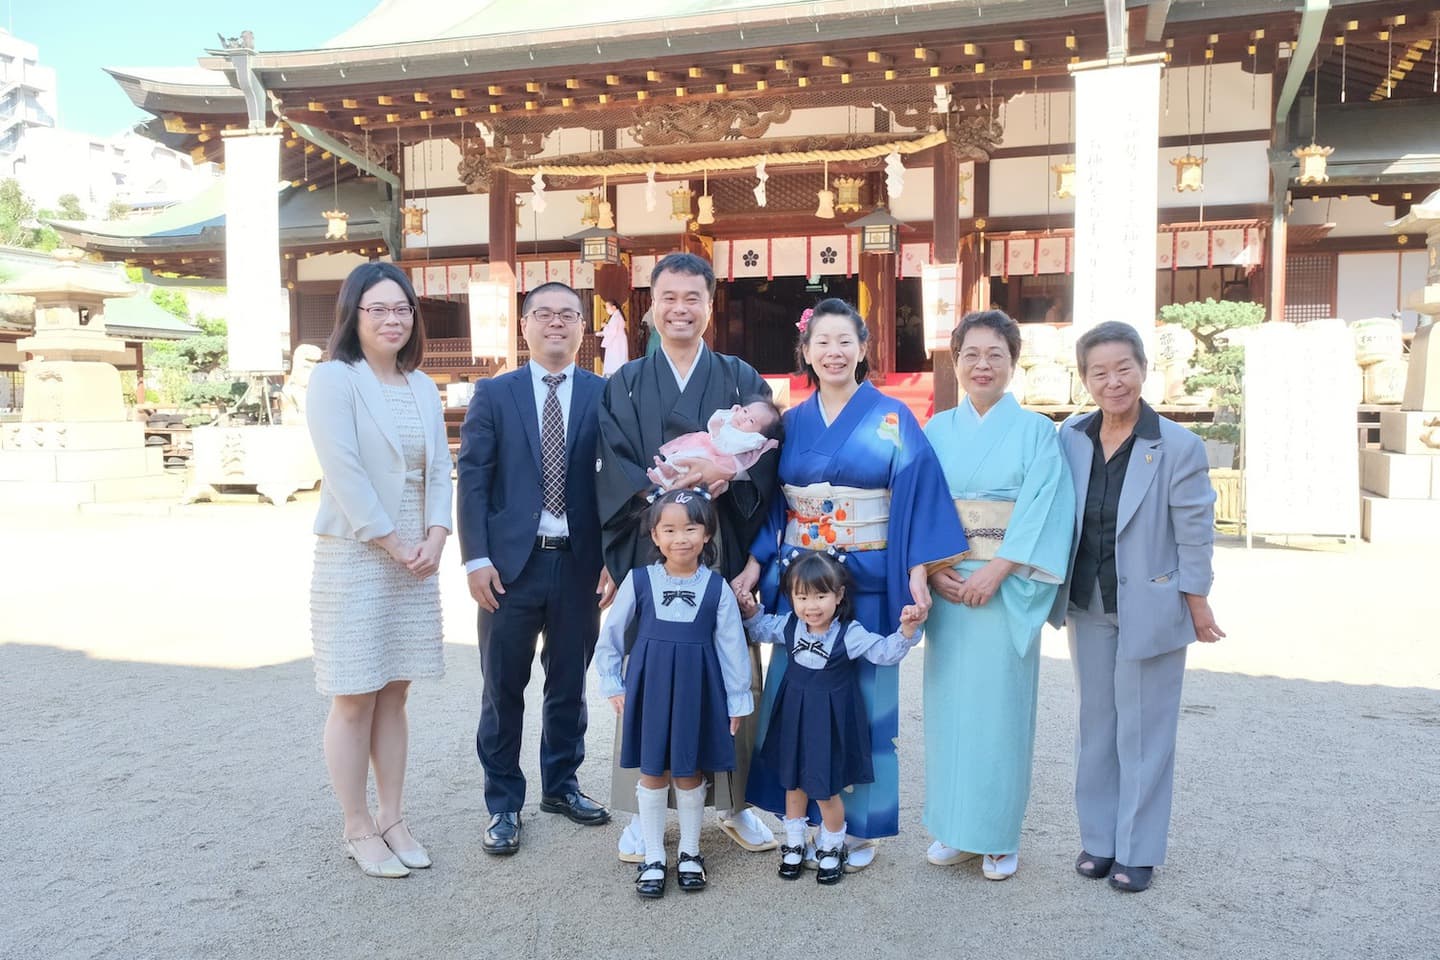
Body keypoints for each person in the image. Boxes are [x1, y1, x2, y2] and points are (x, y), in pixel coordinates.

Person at [732, 298, 966, 871]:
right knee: (800, 697)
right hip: (804, 581)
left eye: (845, 341)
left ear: (864, 349)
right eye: (822, 343)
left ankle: (857, 829)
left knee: (866, 705)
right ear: (806, 353)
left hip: (870, 577)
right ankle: (807, 820)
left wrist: (916, 569)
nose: (833, 352)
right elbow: (772, 506)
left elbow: (918, 493)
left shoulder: (893, 417)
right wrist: (759, 563)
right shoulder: (790, 423)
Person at [597, 252, 781, 859]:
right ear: (651, 304)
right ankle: (640, 809)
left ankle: (734, 803)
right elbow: (612, 466)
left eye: (692, 298)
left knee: (731, 665)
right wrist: (673, 495)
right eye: (668, 297)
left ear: (709, 304)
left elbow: (771, 459)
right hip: (655, 552)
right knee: (646, 672)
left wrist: (727, 471)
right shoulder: (624, 383)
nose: (680, 309)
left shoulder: (738, 377)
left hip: (720, 548)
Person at [1047, 320, 1226, 894]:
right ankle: (1099, 840)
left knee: (1145, 730)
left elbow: (1196, 532)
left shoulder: (1177, 445)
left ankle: (1138, 849)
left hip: (1151, 602)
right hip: (1088, 600)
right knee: (1096, 725)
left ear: (1144, 369)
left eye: (1123, 367)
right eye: (1099, 372)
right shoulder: (1070, 437)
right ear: (1085, 379)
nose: (1113, 381)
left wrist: (1197, 601)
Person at [305, 262, 452, 879]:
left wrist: (438, 536)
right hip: (359, 554)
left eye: (402, 309)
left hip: (416, 556)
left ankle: (393, 816)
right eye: (378, 309)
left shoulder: (420, 384)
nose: (393, 319)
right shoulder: (334, 380)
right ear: (353, 314)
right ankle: (357, 824)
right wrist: (395, 542)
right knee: (354, 693)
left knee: (396, 690)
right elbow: (344, 472)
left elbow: (442, 467)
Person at [456, 281, 612, 856]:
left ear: (582, 329)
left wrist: (613, 561)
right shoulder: (495, 395)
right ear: (524, 325)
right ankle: (502, 803)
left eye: (568, 315)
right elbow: (472, 479)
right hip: (508, 569)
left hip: (578, 564)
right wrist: (475, 558)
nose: (556, 324)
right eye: (543, 314)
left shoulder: (604, 393)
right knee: (503, 687)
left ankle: (562, 786)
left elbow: (617, 481)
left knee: (569, 684)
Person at [922, 310, 1076, 881]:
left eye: (995, 355)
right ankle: (952, 828)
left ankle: (997, 835)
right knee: (948, 712)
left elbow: (1045, 510)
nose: (982, 365)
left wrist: (1000, 571)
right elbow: (920, 506)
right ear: (956, 362)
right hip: (951, 587)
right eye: (971, 355)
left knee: (1000, 714)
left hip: (1005, 589)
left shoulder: (1038, 432)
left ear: (1013, 363)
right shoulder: (936, 430)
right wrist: (935, 572)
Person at [593, 490, 754, 898]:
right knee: (652, 771)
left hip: (697, 691)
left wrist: (736, 700)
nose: (680, 537)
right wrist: (613, 683)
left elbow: (732, 648)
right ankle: (652, 855)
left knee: (688, 769)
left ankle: (690, 851)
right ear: (655, 535)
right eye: (670, 529)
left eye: (690, 528)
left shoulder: (716, 589)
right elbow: (611, 636)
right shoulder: (639, 580)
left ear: (707, 534)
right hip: (650, 688)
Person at [736, 552, 928, 885]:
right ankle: (794, 843)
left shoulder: (849, 634)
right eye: (802, 597)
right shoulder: (791, 626)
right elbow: (761, 629)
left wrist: (906, 630)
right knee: (792, 785)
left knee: (825, 791)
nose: (812, 606)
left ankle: (831, 845)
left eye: (821, 595)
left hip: (828, 723)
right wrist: (752, 611)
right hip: (793, 718)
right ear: (791, 598)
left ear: (839, 596)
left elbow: (884, 653)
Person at [647, 399, 782, 492]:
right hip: (707, 447)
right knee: (681, 454)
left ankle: (669, 473)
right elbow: (717, 418)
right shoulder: (734, 420)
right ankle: (665, 471)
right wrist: (730, 413)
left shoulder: (750, 440)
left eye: (751, 421)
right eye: (745, 411)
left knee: (692, 458)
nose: (744, 418)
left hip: (719, 459)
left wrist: (717, 431)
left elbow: (724, 447)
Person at [598, 299, 630, 376]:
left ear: (614, 307)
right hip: (617, 340)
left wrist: (605, 327)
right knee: (617, 359)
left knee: (616, 360)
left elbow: (612, 331)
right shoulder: (616, 316)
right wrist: (604, 331)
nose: (606, 310)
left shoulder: (616, 317)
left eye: (607, 307)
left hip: (616, 342)